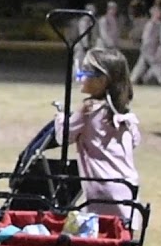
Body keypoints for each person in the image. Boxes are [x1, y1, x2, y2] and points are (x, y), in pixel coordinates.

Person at [56, 47, 140, 228]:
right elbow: (134, 141)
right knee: (121, 240)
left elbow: (64, 136)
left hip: (101, 190)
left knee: (87, 238)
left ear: (102, 80)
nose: (80, 75)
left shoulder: (88, 110)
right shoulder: (122, 112)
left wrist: (62, 116)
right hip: (127, 187)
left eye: (85, 71)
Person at [129, 3, 161, 85]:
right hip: (148, 47)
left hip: (153, 47)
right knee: (154, 64)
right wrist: (145, 47)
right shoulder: (150, 24)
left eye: (160, 12)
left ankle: (133, 79)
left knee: (141, 65)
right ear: (154, 13)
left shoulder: (159, 24)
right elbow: (145, 37)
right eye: (158, 12)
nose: (160, 13)